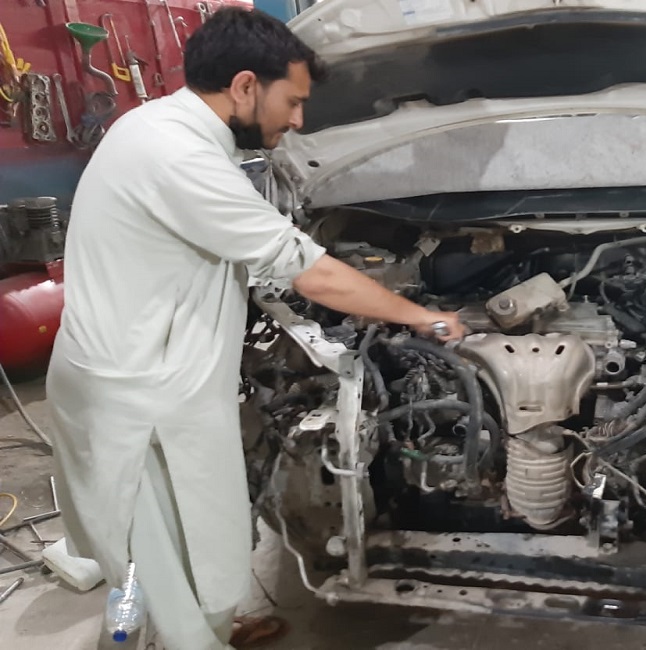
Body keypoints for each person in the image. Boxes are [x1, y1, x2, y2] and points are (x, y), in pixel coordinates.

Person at [45, 8, 463, 649]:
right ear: (245, 86)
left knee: (177, 548)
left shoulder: (154, 126)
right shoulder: (178, 155)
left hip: (142, 373)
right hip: (140, 400)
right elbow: (310, 273)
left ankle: (196, 627)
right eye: (292, 101)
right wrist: (422, 315)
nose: (298, 121)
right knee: (153, 557)